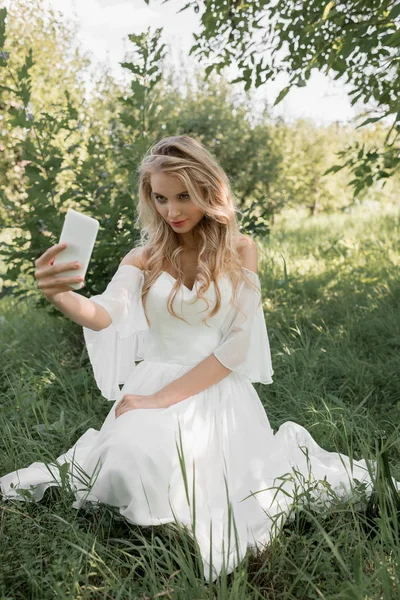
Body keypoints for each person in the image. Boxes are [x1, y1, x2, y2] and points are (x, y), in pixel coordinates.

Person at [0, 135, 380, 581]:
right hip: (151, 383)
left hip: (217, 389)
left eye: (184, 196)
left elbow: (236, 347)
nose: (172, 210)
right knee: (129, 459)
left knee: (215, 486)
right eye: (160, 198)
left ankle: (178, 529)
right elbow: (105, 314)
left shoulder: (240, 250)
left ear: (208, 192)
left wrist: (161, 401)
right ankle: (160, 521)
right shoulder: (144, 258)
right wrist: (61, 294)